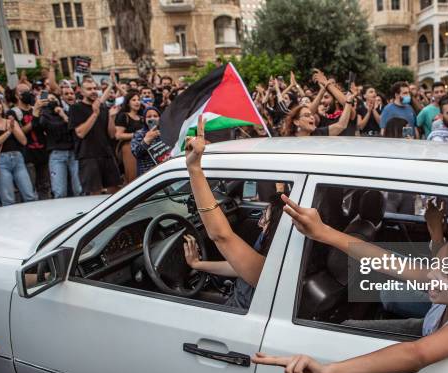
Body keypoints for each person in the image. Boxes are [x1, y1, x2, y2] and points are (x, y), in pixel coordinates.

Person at [252, 196, 448, 373]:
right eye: (435, 264)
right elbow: (384, 260)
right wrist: (322, 232)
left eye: (447, 273)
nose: (434, 275)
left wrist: (328, 372)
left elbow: (416, 354)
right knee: (347, 326)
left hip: (422, 336)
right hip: (425, 326)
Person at [182, 116, 286, 309]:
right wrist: (198, 265)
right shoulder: (271, 256)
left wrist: (194, 169)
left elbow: (221, 236)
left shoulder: (271, 267)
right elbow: (240, 266)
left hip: (237, 311)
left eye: (266, 217)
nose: (260, 222)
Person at [69, 77, 120, 195]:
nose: (93, 91)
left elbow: (112, 134)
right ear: (81, 92)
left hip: (106, 154)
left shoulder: (103, 107)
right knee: (94, 193)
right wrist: (95, 114)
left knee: (115, 191)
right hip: (88, 156)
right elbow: (80, 133)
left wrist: (111, 117)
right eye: (88, 89)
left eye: (94, 88)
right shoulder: (76, 108)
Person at [0, 94, 37, 206]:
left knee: (30, 196)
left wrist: (12, 128)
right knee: (8, 199)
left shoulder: (10, 122)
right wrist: (8, 132)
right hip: (0, 162)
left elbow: (23, 141)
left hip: (17, 159)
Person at [37, 93, 82, 198]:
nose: (52, 101)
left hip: (73, 153)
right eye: (48, 100)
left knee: (79, 189)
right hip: (57, 155)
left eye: (53, 99)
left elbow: (74, 127)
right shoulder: (43, 116)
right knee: (59, 191)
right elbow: (40, 126)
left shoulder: (67, 112)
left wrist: (62, 114)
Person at [10, 82, 51, 199]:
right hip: (27, 156)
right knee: (30, 191)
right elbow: (21, 132)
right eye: (24, 92)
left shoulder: (36, 108)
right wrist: (35, 114)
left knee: (45, 188)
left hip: (43, 153)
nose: (28, 94)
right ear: (17, 95)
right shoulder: (13, 112)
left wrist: (43, 110)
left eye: (29, 91)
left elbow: (45, 128)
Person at [280, 94, 355, 137]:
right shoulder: (289, 140)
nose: (312, 117)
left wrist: (348, 102)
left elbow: (341, 125)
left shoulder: (318, 133)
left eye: (311, 115)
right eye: (307, 115)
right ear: (296, 122)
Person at [115, 90, 143, 183]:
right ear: (128, 103)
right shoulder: (124, 116)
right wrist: (136, 135)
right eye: (133, 100)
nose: (137, 102)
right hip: (128, 148)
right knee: (133, 177)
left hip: (142, 148)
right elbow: (118, 135)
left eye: (138, 99)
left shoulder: (142, 117)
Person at [130, 107, 168, 176]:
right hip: (148, 175)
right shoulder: (139, 134)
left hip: (164, 171)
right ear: (145, 119)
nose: (152, 118)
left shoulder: (165, 131)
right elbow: (136, 153)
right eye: (149, 116)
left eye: (155, 116)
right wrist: (146, 140)